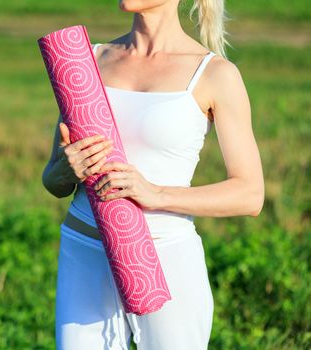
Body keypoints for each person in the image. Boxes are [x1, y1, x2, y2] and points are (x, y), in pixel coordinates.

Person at [41, 0, 265, 349]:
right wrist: (64, 169)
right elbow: (53, 182)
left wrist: (156, 193)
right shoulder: (88, 62)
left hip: (166, 258)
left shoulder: (214, 74)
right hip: (83, 250)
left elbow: (250, 194)